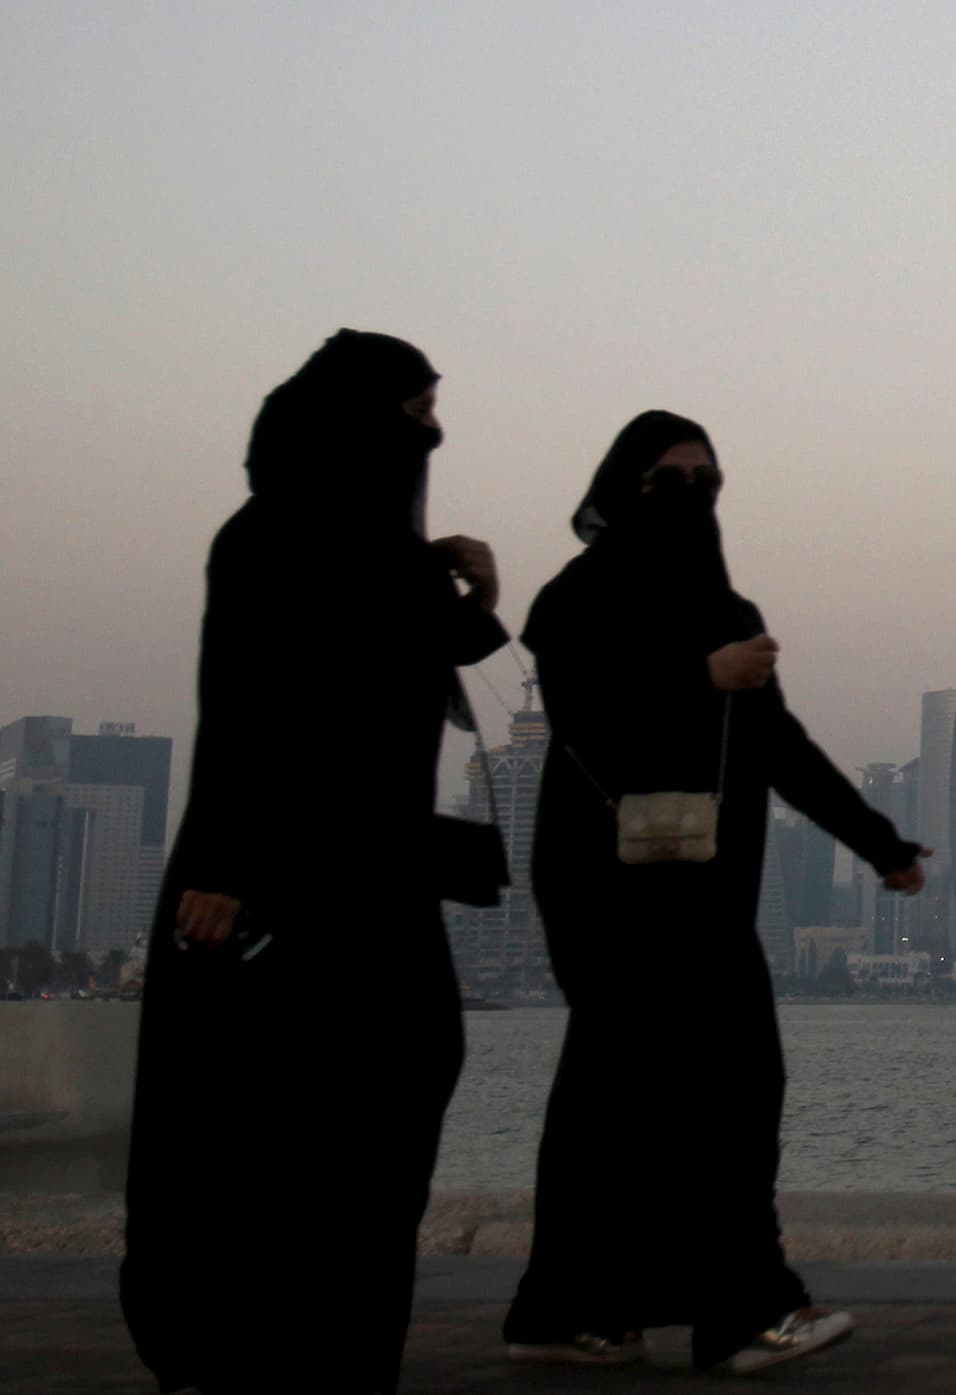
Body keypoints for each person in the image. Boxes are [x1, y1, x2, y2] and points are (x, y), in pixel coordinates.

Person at [121, 331, 507, 1394]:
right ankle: (236, 1346)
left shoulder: (383, 545)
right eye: (415, 410)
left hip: (380, 878)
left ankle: (341, 1356)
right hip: (277, 882)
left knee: (392, 1102)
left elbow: (430, 655)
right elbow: (244, 702)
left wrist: (476, 596)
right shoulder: (272, 535)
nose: (432, 431)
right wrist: (225, 867)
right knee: (270, 1125)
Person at [504, 410, 927, 1376]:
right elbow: (586, 713)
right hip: (607, 886)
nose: (691, 496)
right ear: (623, 487)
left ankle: (568, 1308)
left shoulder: (726, 608)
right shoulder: (575, 598)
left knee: (612, 1099)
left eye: (707, 479)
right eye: (669, 478)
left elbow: (781, 747)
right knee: (732, 1083)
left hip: (703, 884)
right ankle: (746, 1309)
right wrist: (702, 676)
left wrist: (880, 844)